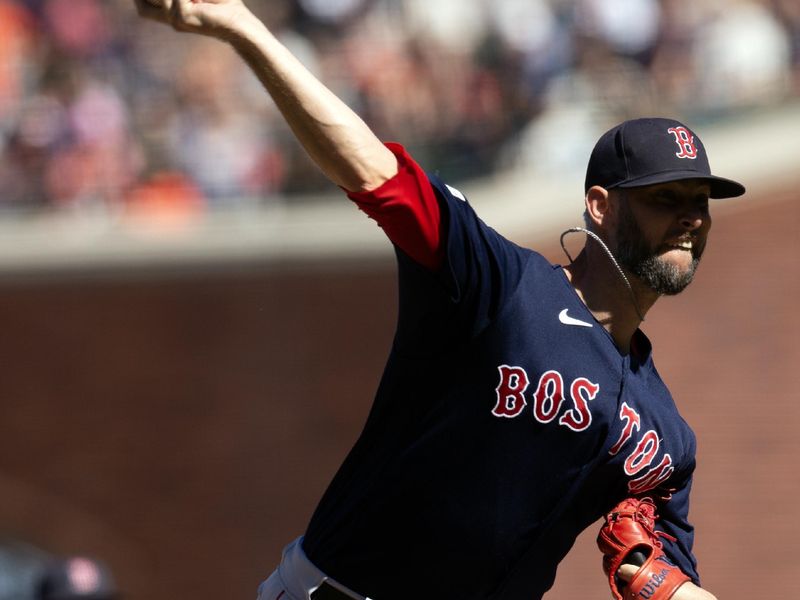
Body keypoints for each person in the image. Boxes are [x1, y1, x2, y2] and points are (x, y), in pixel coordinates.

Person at [133, 2, 745, 599]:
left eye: (700, 201)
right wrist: (245, 29)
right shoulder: (500, 284)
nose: (691, 217)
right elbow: (376, 173)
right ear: (601, 206)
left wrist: (662, 585)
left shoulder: (665, 436)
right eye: (666, 198)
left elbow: (668, 572)